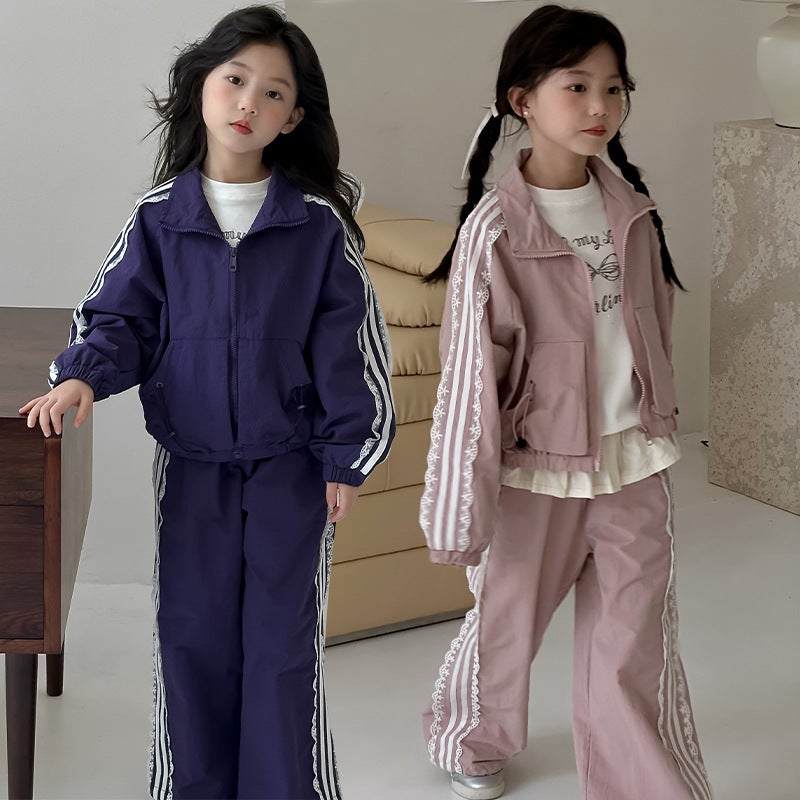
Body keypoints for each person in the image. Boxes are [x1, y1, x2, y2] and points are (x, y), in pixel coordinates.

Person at [20, 6, 394, 799]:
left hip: (292, 470)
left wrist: (346, 455)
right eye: (234, 79)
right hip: (191, 469)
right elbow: (118, 319)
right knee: (191, 637)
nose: (248, 103)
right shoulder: (160, 218)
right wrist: (82, 374)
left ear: (294, 118)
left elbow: (349, 347)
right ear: (201, 86)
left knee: (281, 647)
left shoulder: (317, 227)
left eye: (273, 92)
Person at [419, 6, 711, 800]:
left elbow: (652, 328)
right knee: (507, 627)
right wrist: (460, 506)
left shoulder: (633, 212)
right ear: (523, 100)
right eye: (576, 86)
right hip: (533, 471)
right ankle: (472, 740)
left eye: (614, 88)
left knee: (632, 640)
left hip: (631, 460)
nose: (599, 107)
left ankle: (639, 783)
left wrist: (658, 417)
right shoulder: (496, 231)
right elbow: (469, 379)